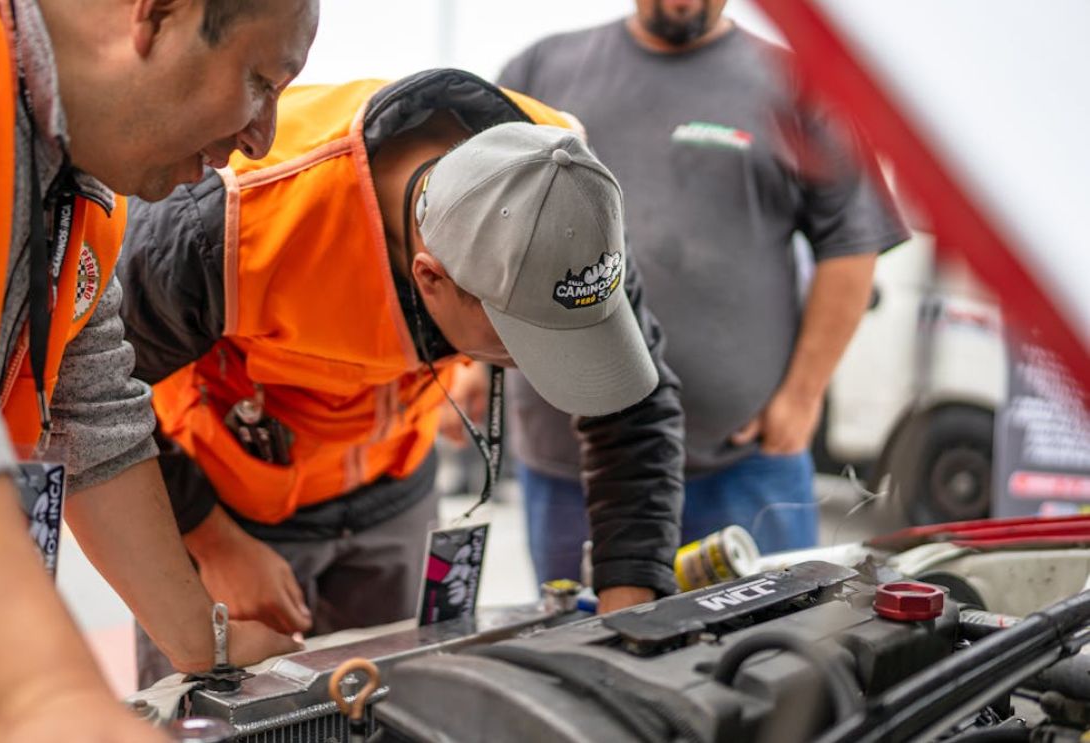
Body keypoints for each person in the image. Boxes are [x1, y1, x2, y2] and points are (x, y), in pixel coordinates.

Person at [0, 1, 317, 740]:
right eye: (260, 81)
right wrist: (46, 700)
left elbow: (91, 415)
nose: (263, 138)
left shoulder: (78, 187)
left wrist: (199, 640)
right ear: (155, 15)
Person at [117, 68, 685, 686]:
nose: (539, 366)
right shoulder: (224, 221)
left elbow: (635, 412)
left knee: (383, 703)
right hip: (224, 497)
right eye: (522, 341)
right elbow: (97, 402)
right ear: (431, 278)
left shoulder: (572, 199)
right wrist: (212, 540)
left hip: (396, 489)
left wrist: (630, 618)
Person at [491, 0, 908, 581]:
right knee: (576, 654)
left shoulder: (801, 86)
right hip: (571, 465)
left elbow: (852, 242)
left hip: (740, 465)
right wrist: (471, 361)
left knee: (766, 651)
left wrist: (802, 397)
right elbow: (486, 225)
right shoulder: (541, 70)